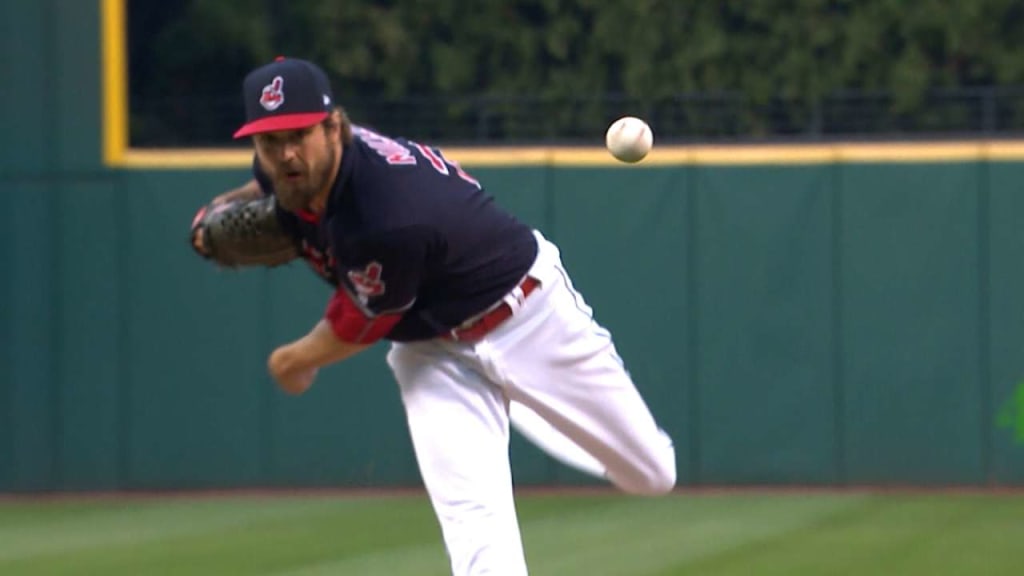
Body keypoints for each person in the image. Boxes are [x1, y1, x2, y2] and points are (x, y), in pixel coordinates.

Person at [200, 56, 676, 575]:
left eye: (299, 134)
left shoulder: (385, 212)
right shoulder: (292, 172)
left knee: (652, 474)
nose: (286, 153)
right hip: (432, 351)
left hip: (529, 316)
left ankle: (524, 402)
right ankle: (510, 398)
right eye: (270, 141)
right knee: (477, 536)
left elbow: (357, 325)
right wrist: (217, 216)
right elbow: (266, 193)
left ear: (334, 127)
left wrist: (293, 361)